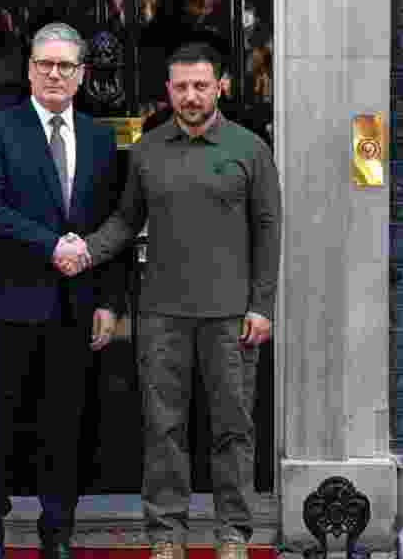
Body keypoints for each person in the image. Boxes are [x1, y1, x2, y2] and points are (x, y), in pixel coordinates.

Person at [57, 41, 281, 559]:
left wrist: (262, 305)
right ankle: (166, 536)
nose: (191, 96)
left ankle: (233, 535)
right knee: (163, 430)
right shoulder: (147, 150)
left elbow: (269, 232)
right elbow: (125, 221)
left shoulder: (251, 149)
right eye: (181, 87)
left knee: (233, 430)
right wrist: (85, 251)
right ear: (168, 90)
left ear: (220, 86)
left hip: (231, 317)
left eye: (200, 85)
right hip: (161, 314)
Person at [0, 21, 127, 559]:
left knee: (63, 429)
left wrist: (110, 300)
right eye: (45, 64)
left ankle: (57, 532)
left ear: (81, 75)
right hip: (5, 303)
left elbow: (114, 223)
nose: (54, 74)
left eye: (65, 66)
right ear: (30, 70)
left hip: (73, 308)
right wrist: (52, 245)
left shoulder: (101, 138)